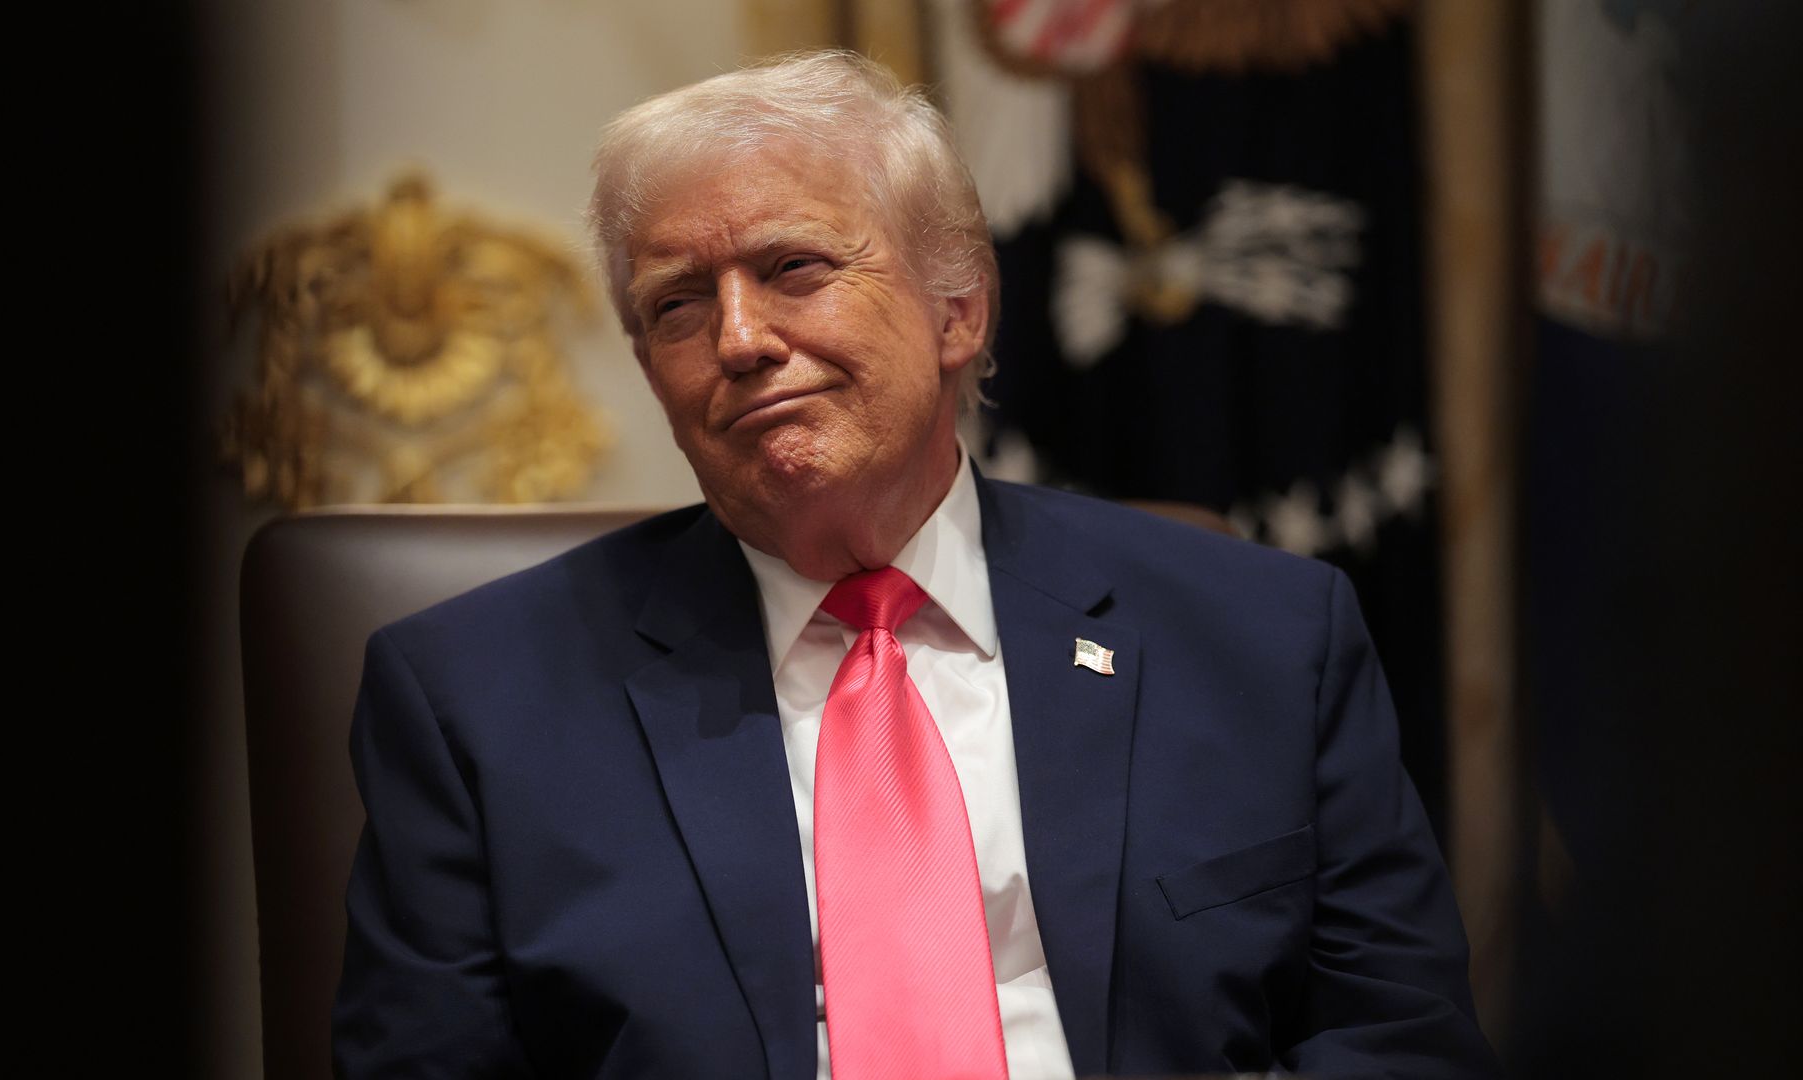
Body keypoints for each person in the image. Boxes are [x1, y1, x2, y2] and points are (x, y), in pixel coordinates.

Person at [333, 51, 1498, 1079]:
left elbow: (1401, 1037)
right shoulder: (473, 704)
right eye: (678, 305)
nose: (738, 341)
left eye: (794, 269)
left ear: (960, 311)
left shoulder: (1262, 637)